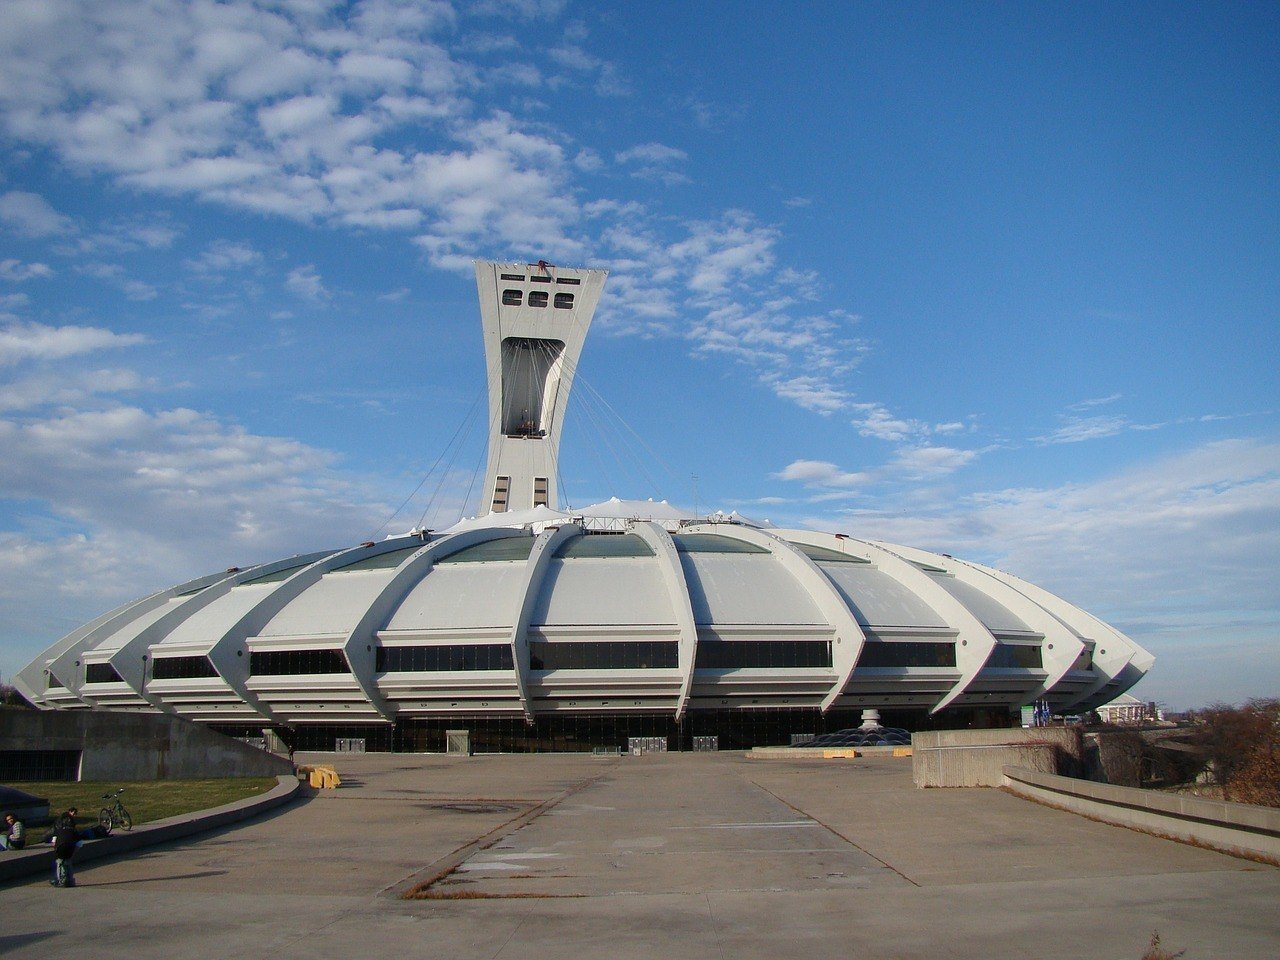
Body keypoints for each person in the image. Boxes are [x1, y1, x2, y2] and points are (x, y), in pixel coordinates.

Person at [51, 807, 79, 887]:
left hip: (60, 847)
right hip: (70, 848)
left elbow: (54, 842)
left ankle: (62, 881)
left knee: (60, 863)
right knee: (68, 863)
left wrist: (56, 851)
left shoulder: (59, 831)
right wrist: (73, 853)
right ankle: (70, 880)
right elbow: (80, 843)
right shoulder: (74, 831)